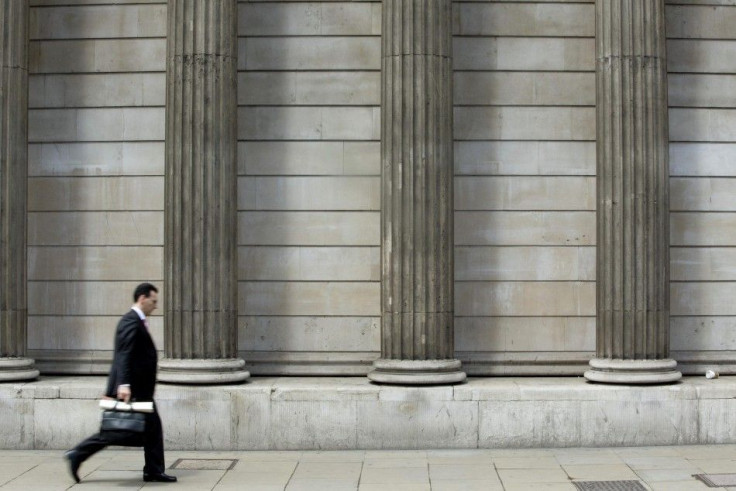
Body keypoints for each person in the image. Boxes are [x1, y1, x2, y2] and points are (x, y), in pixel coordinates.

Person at [64, 283, 177, 483]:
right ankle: (77, 453)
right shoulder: (130, 321)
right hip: (132, 389)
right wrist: (123, 384)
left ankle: (153, 470)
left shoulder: (136, 321)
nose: (155, 306)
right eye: (153, 301)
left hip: (140, 389)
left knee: (152, 429)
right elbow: (123, 355)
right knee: (113, 432)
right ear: (142, 298)